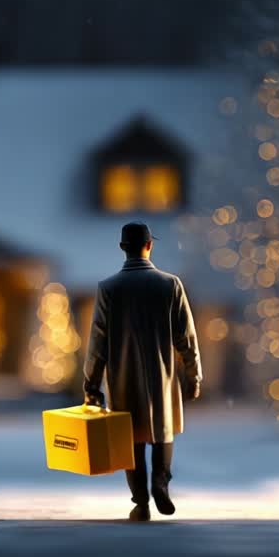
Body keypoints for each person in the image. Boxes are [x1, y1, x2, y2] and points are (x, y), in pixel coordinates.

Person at [83, 221, 202, 521]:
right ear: (150, 245)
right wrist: (194, 374)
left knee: (131, 438)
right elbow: (186, 337)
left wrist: (91, 383)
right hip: (162, 374)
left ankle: (140, 500)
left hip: (123, 377)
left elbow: (98, 340)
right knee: (163, 431)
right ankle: (161, 481)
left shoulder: (108, 289)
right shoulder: (170, 285)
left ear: (123, 248)